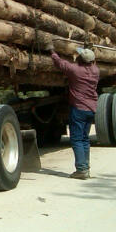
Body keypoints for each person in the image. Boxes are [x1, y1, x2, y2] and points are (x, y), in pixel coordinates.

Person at [48, 43, 100, 180]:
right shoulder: (96, 70)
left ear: (80, 60)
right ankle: (86, 167)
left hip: (79, 109)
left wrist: (52, 51)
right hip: (91, 108)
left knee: (76, 139)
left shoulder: (75, 70)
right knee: (85, 139)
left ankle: (81, 169)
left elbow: (60, 63)